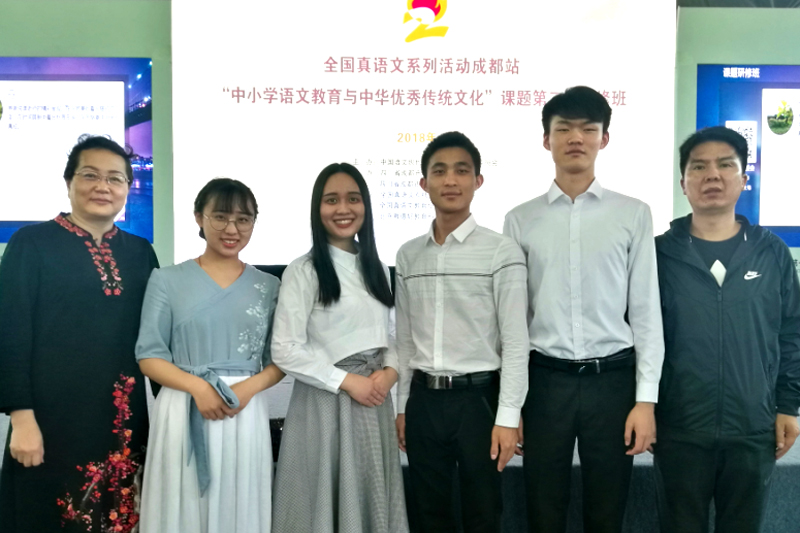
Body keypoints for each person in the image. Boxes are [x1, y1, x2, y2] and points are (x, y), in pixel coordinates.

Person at [503, 86, 664, 533]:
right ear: (546, 139)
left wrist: (645, 400)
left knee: (607, 510)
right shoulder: (520, 219)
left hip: (612, 382)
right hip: (545, 382)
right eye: (564, 129)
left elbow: (646, 312)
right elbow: (513, 321)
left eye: (588, 129)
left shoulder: (633, 214)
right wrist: (511, 405)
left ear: (604, 139)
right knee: (543, 507)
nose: (576, 138)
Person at [0, 135, 159, 532]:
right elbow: (10, 332)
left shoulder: (141, 252)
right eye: (90, 175)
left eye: (115, 178)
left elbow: (157, 338)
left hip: (122, 422)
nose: (103, 186)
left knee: (119, 518)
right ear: (68, 181)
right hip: (49, 423)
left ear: (127, 188)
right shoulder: (31, 243)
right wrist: (21, 418)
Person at [654, 126, 800, 533]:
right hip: (679, 427)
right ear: (683, 182)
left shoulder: (771, 252)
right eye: (699, 167)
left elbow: (791, 333)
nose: (712, 175)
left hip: (752, 426)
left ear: (743, 178)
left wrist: (788, 405)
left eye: (725, 165)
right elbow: (641, 338)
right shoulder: (658, 254)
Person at [395, 131, 529, 533]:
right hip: (424, 401)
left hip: (479, 401)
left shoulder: (500, 250)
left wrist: (508, 416)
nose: (450, 180)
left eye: (461, 171)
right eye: (439, 171)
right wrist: (402, 407)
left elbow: (516, 342)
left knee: (483, 512)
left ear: (478, 181)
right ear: (424, 183)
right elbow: (404, 340)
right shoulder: (408, 255)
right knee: (428, 512)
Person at [135, 178, 282, 533]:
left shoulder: (269, 286)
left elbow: (280, 359)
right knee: (181, 504)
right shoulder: (166, 280)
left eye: (243, 219)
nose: (232, 229)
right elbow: (149, 356)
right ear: (199, 217)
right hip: (184, 406)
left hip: (243, 410)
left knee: (239, 505)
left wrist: (245, 390)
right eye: (220, 216)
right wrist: (199, 388)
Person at [271, 163, 408, 533]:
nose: (343, 209)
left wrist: (391, 372)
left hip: (374, 400)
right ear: (317, 208)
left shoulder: (377, 267)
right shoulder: (303, 270)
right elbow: (284, 348)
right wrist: (348, 382)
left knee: (370, 502)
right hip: (326, 402)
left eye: (353, 199)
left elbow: (393, 335)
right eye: (331, 200)